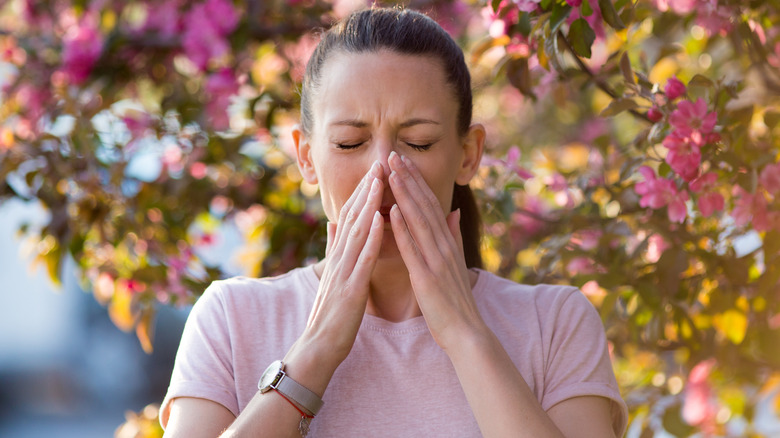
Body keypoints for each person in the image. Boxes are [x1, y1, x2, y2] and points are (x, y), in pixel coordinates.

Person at [160, 7, 628, 438]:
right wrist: (316, 350)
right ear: (306, 157)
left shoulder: (555, 324)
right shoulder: (231, 318)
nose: (382, 169)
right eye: (348, 143)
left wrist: (464, 334)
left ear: (468, 155)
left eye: (419, 143)